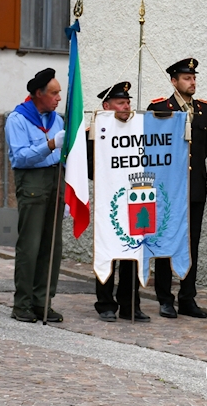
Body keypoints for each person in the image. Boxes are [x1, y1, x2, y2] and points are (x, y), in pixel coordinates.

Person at [148, 58, 207, 319]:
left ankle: (188, 297)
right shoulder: (160, 108)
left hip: (195, 186)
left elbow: (203, 149)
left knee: (191, 243)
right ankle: (165, 298)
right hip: (168, 188)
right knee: (166, 241)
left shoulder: (204, 110)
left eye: (194, 77)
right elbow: (153, 147)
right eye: (187, 78)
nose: (193, 81)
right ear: (174, 81)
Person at [5, 68, 66, 323]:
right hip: (32, 180)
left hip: (56, 178)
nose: (58, 98)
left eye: (59, 93)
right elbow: (20, 157)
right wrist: (50, 145)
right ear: (38, 94)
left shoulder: (57, 120)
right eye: (53, 93)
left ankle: (43, 302)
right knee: (30, 245)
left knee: (52, 245)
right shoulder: (18, 119)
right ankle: (23, 304)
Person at [89, 82, 150, 323]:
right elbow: (92, 168)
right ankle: (105, 303)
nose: (127, 106)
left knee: (133, 251)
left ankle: (130, 304)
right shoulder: (95, 131)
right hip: (110, 200)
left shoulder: (138, 129)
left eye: (128, 102)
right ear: (107, 106)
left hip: (134, 198)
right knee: (108, 251)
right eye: (121, 103)